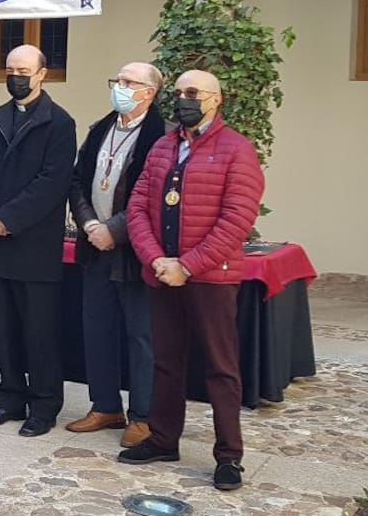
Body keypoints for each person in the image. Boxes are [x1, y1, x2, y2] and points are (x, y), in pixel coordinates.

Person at [119, 69, 265, 492]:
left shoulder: (237, 149)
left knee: (221, 368)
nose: (184, 99)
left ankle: (229, 457)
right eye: (180, 92)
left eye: (193, 93)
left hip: (210, 278)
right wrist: (157, 259)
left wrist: (189, 264)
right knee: (166, 362)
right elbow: (138, 207)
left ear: (215, 100)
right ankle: (164, 439)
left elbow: (237, 220)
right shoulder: (164, 145)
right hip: (164, 274)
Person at [0, 44, 76, 438]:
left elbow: (52, 183)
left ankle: (44, 405)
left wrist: (7, 220)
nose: (16, 76)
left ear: (42, 74)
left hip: (32, 246)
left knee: (38, 332)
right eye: (10, 69)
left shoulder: (59, 123)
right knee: (1, 328)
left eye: (24, 70)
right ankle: (9, 397)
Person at [66, 62, 166, 448]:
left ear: (149, 92)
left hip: (135, 250)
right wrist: (91, 224)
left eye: (129, 83)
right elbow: (77, 180)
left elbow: (154, 195)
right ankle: (105, 405)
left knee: (142, 336)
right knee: (97, 329)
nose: (120, 88)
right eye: (118, 81)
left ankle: (143, 415)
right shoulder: (102, 128)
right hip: (95, 246)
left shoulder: (162, 137)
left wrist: (115, 231)